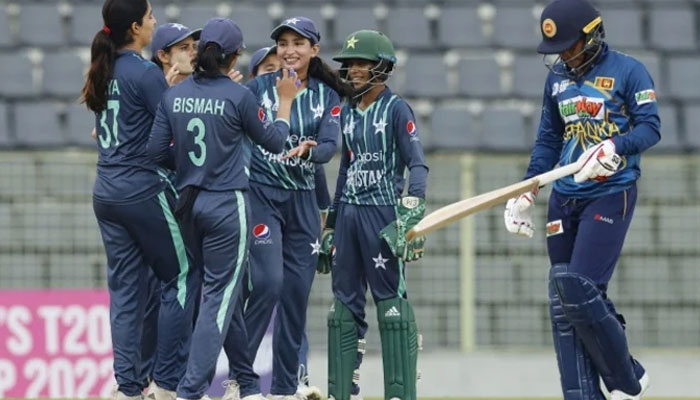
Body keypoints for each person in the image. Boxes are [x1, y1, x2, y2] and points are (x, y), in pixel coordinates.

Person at [503, 0, 660, 399]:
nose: (565, 55)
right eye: (559, 49)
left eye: (572, 45)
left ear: (593, 34)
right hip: (565, 194)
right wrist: (528, 188)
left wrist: (617, 146)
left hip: (611, 191)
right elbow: (548, 139)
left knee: (579, 285)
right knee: (562, 295)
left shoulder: (628, 70)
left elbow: (651, 128)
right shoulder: (556, 79)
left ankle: (627, 376)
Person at [148, 17, 298, 400]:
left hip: (188, 204)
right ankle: (190, 390)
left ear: (198, 54)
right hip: (228, 203)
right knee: (219, 296)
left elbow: (153, 152)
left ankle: (247, 384)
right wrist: (284, 102)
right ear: (233, 57)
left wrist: (188, 166)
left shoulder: (173, 97)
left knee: (220, 292)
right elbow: (276, 142)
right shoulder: (238, 97)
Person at [224, 16, 351, 400]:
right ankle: (241, 379)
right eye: (283, 43)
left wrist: (315, 151)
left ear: (315, 50)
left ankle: (282, 390)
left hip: (302, 203)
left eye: (299, 43)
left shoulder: (328, 97)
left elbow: (331, 146)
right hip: (262, 195)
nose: (289, 50)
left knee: (295, 296)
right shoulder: (256, 88)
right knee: (267, 283)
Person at [80, 1, 198, 399]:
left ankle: (128, 388)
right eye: (150, 18)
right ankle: (166, 383)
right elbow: (171, 133)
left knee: (126, 293)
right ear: (135, 26)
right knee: (182, 276)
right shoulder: (146, 73)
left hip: (106, 192)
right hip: (141, 189)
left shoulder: (104, 68)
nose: (155, 23)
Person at [321, 30, 428, 400]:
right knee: (342, 309)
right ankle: (342, 390)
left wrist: (411, 212)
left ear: (382, 67)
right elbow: (345, 171)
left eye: (361, 64)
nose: (353, 71)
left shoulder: (397, 109)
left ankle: (399, 391)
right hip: (350, 212)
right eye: (349, 65)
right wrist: (331, 224)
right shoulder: (347, 111)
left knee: (391, 304)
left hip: (382, 213)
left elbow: (418, 165)